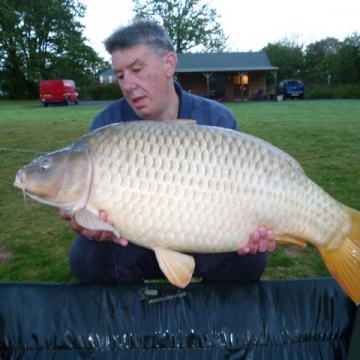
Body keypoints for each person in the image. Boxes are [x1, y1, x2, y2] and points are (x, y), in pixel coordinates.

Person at [61, 19, 276, 284]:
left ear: (169, 65)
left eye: (137, 70)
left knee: (251, 259)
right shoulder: (107, 126)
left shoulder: (217, 120)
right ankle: (133, 319)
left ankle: (211, 320)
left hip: (207, 239)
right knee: (86, 257)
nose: (127, 85)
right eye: (120, 75)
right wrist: (92, 227)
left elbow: (245, 191)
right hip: (133, 242)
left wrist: (254, 232)